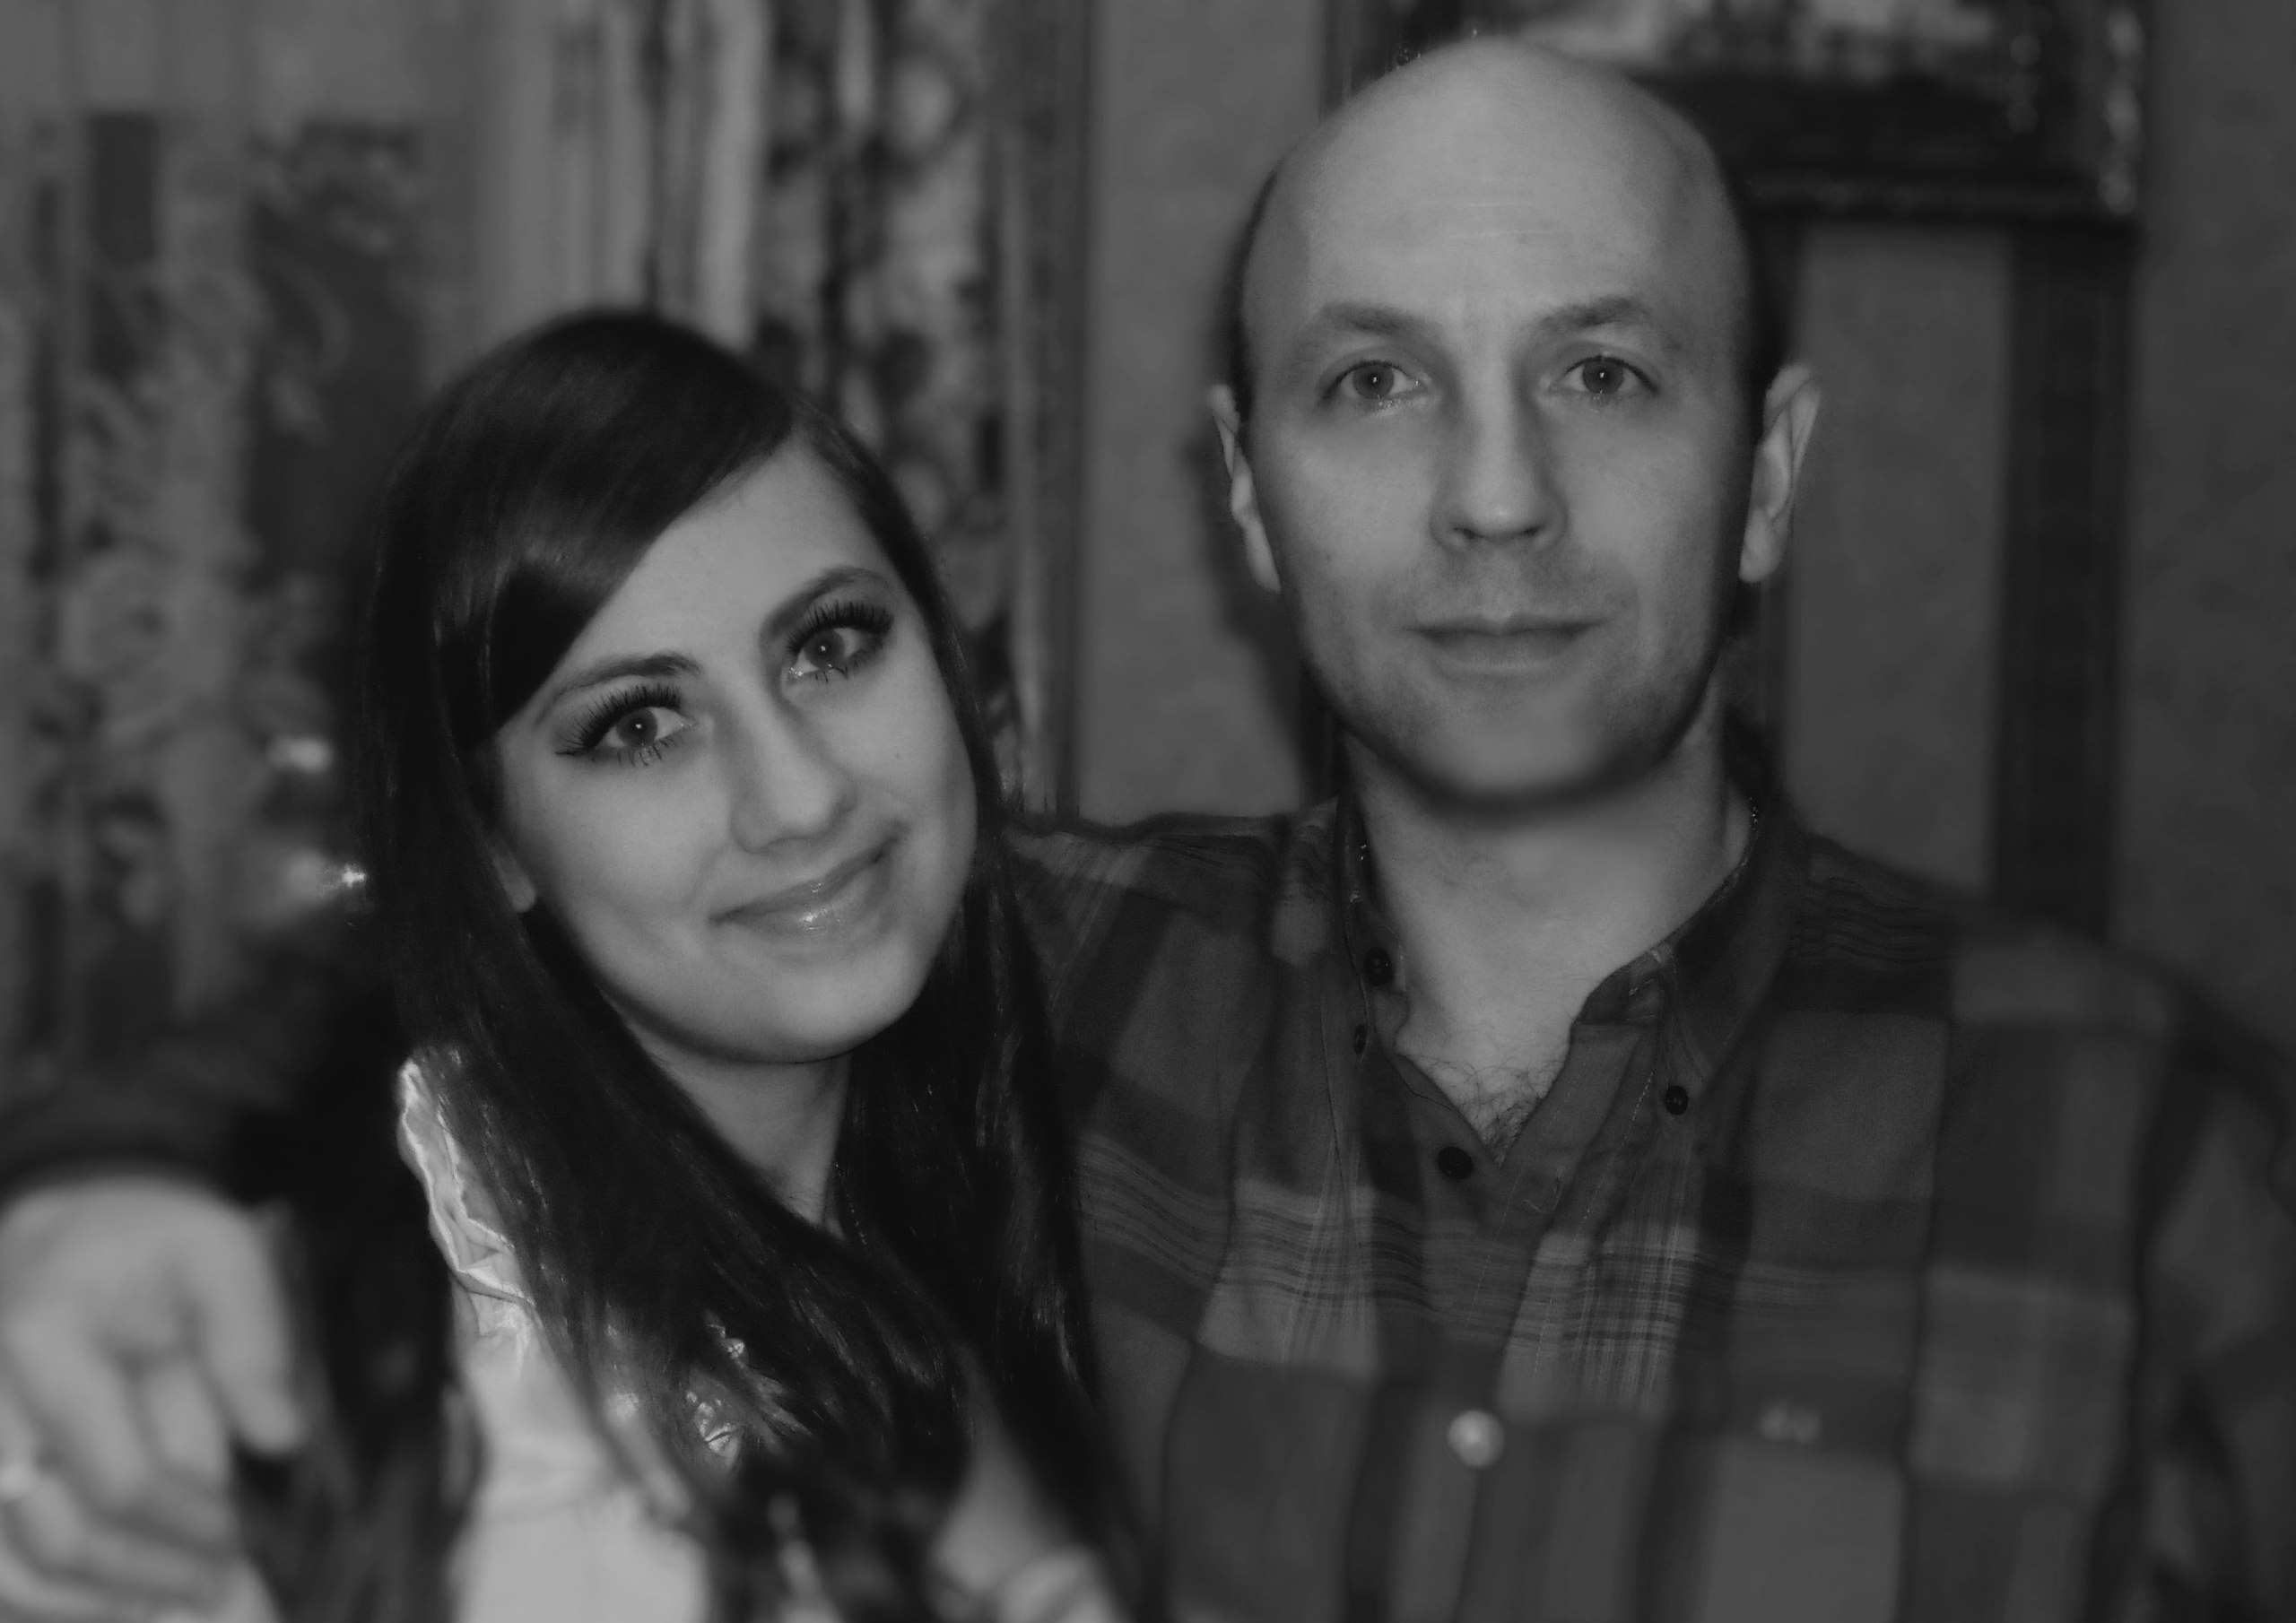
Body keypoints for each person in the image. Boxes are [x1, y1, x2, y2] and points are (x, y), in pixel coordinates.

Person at [1, 36, 2292, 1623]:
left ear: (1766, 472)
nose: (1494, 495)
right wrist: (113, 1174)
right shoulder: (1055, 976)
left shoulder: (2132, 1144)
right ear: (1247, 494)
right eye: (1372, 381)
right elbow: (533, 947)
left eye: (1600, 372)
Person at [0, 311, 1129, 1622]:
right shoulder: (365, 1369)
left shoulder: (1050, 1112)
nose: (801, 797)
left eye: (829, 647)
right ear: (493, 847)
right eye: (639, 726)